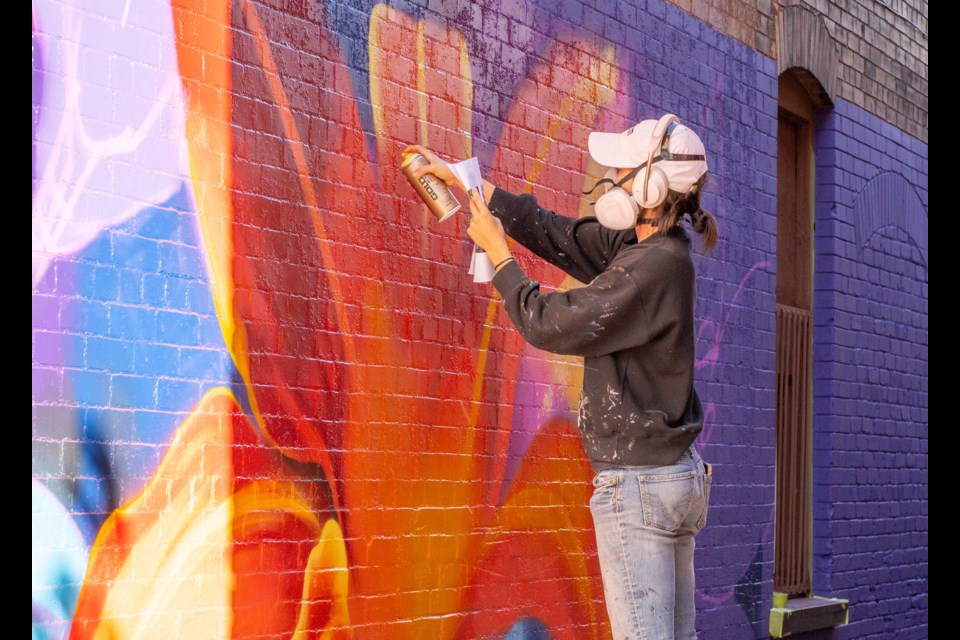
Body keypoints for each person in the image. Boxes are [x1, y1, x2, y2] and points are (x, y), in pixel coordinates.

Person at [405, 113, 718, 640]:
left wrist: (500, 258)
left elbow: (550, 323)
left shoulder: (651, 269)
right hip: (669, 477)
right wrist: (474, 187)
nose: (608, 180)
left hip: (639, 484)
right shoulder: (648, 252)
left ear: (648, 186)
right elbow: (558, 234)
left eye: (619, 171)